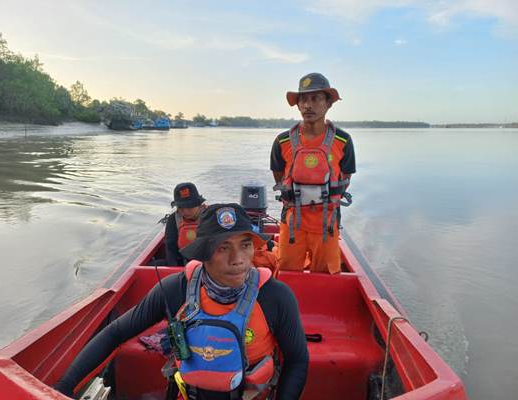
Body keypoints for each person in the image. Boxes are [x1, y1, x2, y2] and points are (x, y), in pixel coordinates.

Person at [56, 203, 309, 400]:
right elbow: (114, 333)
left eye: (245, 245)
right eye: (223, 248)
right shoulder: (176, 289)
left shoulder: (275, 297)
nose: (239, 259)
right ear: (203, 253)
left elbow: (297, 360)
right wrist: (64, 388)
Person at [270, 73, 356, 274]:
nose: (308, 105)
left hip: (326, 222)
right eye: (303, 100)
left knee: (326, 275)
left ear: (328, 103)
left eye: (315, 98)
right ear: (298, 105)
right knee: (286, 273)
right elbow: (279, 176)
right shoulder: (282, 141)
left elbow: (345, 179)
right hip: (292, 223)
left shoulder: (343, 140)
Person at [165, 182, 207, 266]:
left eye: (190, 206)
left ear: (199, 204)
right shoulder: (173, 219)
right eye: (181, 207)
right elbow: (171, 249)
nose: (185, 211)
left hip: (209, 263)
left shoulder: (210, 216)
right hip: (184, 263)